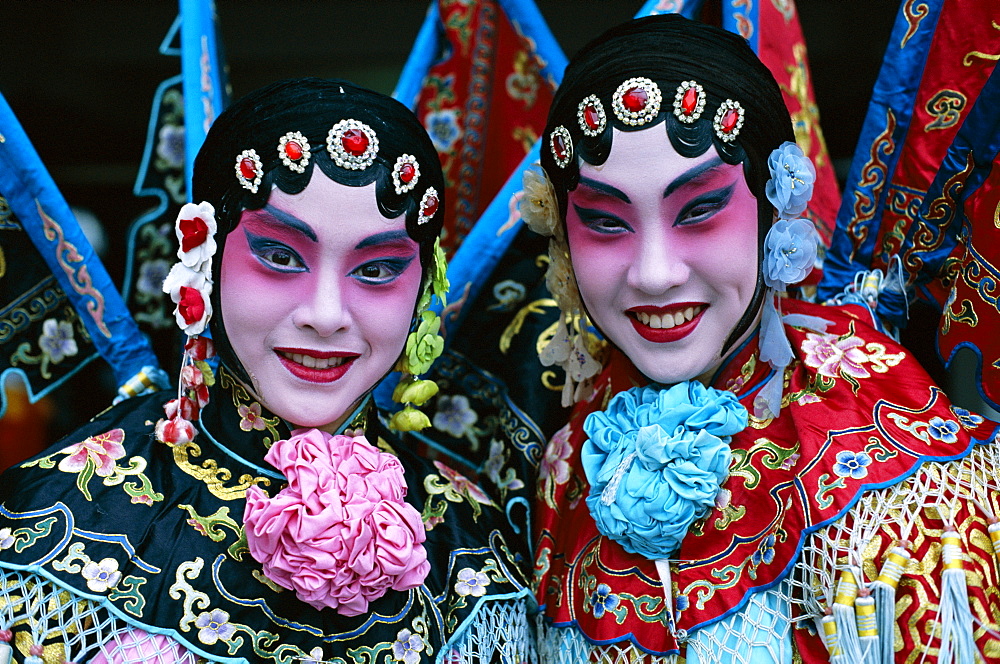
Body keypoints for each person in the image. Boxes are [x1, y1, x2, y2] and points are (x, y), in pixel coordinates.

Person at [0, 78, 533, 664]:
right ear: (202, 257)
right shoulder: (53, 521)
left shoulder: (475, 543)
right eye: (280, 257)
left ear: (423, 288)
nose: (326, 316)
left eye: (379, 268)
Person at [520, 15, 1000, 664]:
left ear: (775, 209)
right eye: (606, 222)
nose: (655, 274)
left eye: (699, 211)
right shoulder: (567, 461)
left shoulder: (903, 486)